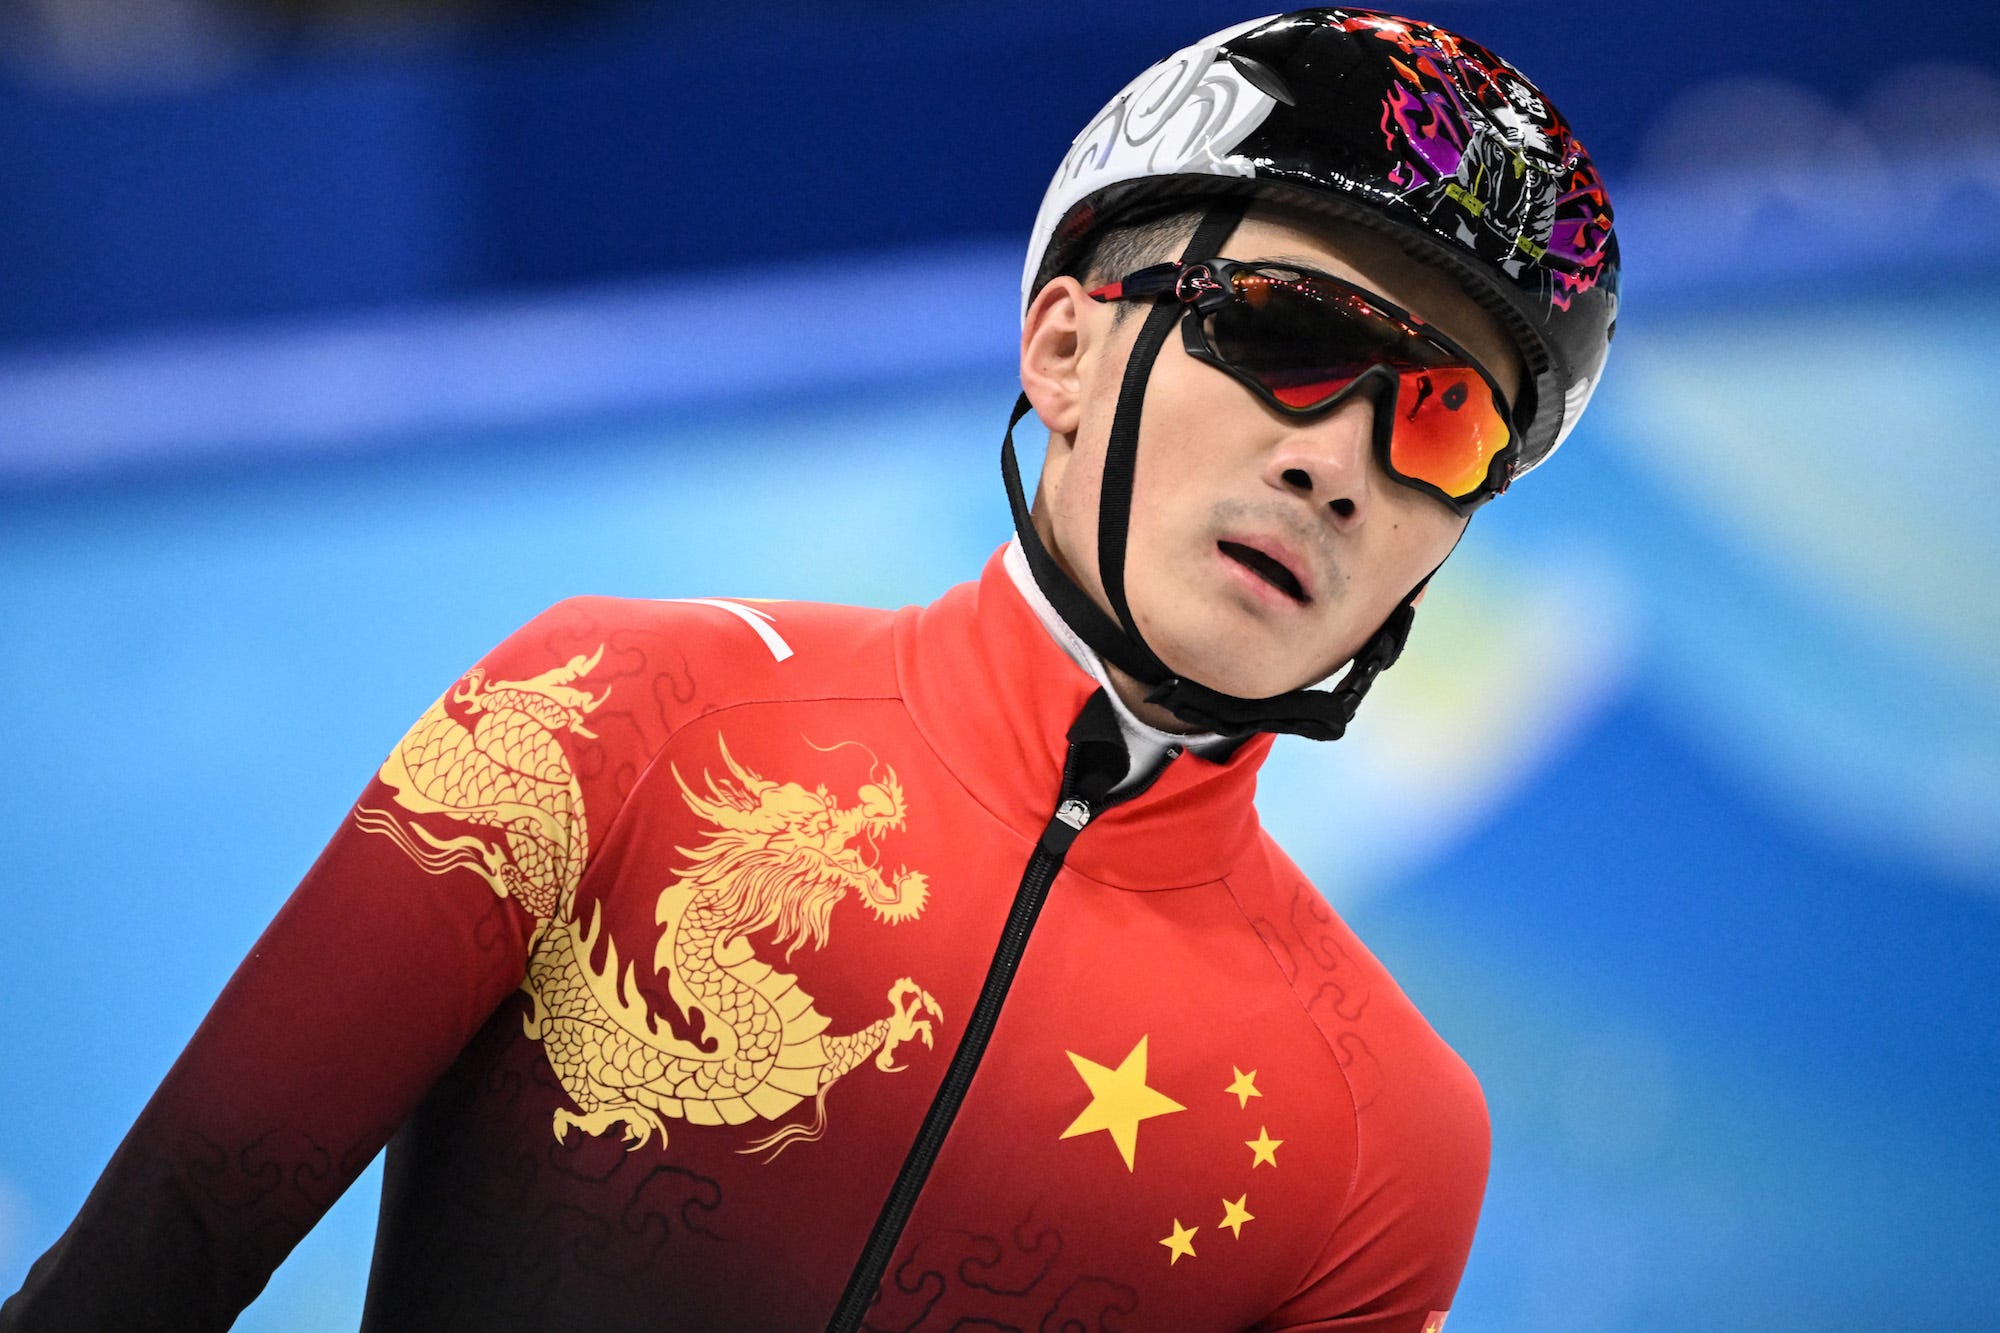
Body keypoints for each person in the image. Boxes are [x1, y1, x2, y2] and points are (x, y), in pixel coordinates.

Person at [2, 9, 1617, 1331]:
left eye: (1442, 418)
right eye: (1282, 327)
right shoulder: (611, 708)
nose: (1337, 464)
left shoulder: (1387, 1135)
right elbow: (144, 1271)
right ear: (1065, 347)